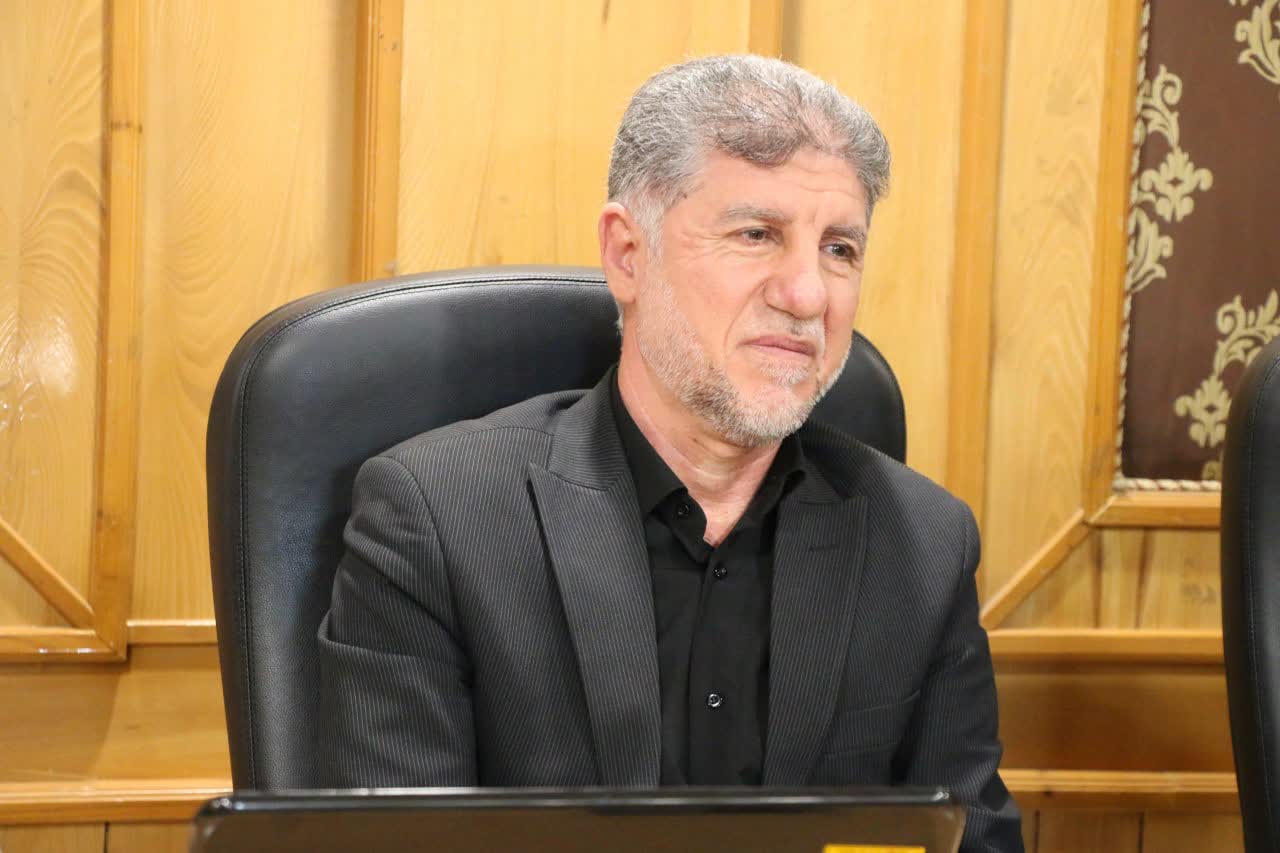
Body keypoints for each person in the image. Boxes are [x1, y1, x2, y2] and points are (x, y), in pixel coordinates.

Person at [317, 54, 1022, 851]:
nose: (808, 295)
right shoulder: (437, 519)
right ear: (628, 255)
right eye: (757, 234)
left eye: (839, 249)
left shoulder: (923, 542)